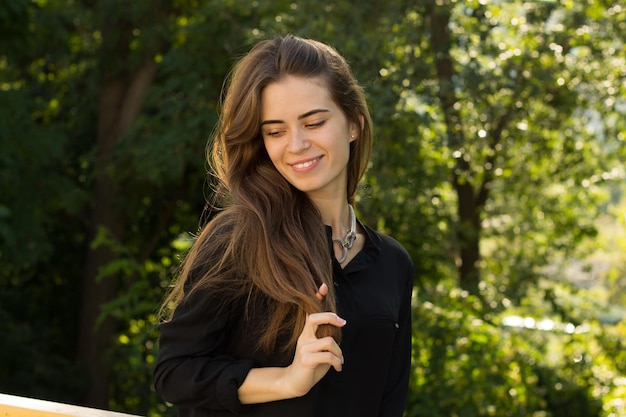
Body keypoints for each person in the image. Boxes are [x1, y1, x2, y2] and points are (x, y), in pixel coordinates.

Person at [154, 34, 414, 417]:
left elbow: (390, 402)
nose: (296, 144)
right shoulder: (238, 241)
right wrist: (287, 380)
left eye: (314, 122)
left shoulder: (393, 263)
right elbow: (174, 372)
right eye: (275, 131)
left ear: (354, 123)